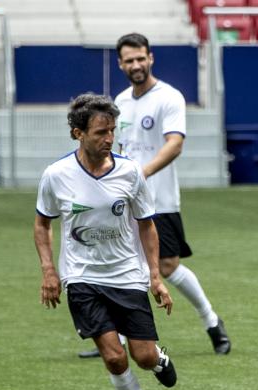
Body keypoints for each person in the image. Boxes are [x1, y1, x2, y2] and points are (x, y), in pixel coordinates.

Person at [35, 93, 177, 390]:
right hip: (82, 278)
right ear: (77, 133)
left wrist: (155, 278)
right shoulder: (56, 175)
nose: (109, 138)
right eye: (101, 132)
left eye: (112, 131)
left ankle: (159, 359)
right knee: (114, 356)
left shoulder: (130, 173)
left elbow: (147, 225)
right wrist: (50, 271)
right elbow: (42, 223)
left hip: (126, 276)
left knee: (143, 357)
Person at [79, 32, 230, 358]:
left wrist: (139, 176)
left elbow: (174, 144)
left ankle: (212, 321)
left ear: (150, 58)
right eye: (129, 60)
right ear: (120, 63)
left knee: (167, 265)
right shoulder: (119, 102)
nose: (136, 64)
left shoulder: (168, 97)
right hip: (121, 202)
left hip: (159, 200)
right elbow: (115, 149)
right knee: (118, 264)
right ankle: (113, 337)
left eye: (140, 58)